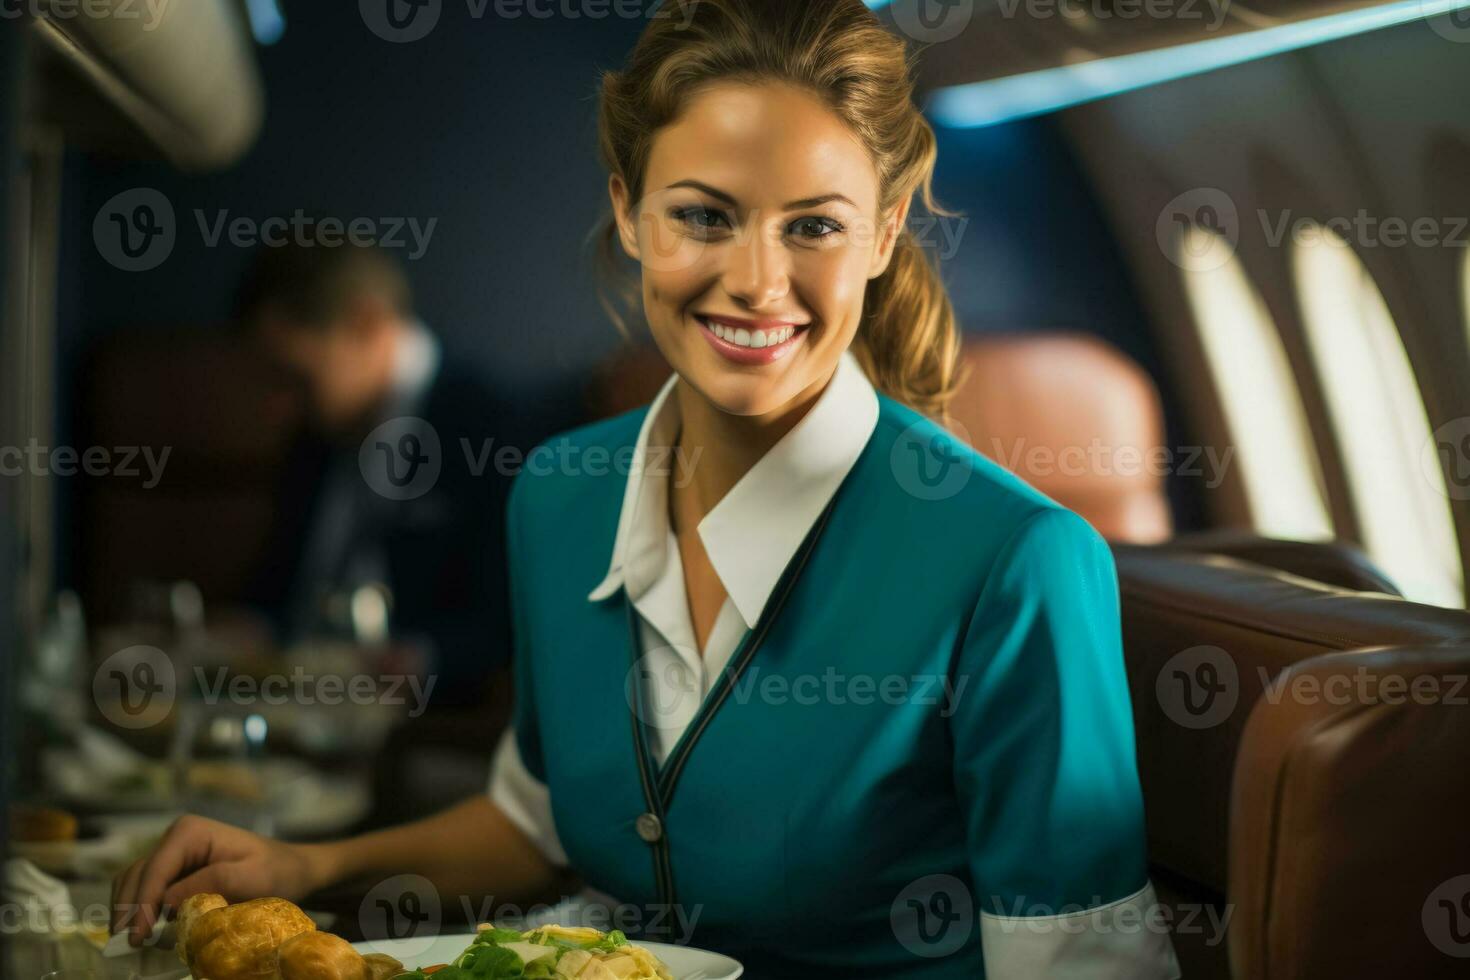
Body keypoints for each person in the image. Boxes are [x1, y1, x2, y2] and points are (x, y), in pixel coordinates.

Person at [114, 2, 1180, 975]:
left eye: (813, 223)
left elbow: (1090, 965)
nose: (758, 280)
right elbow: (540, 820)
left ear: (885, 230)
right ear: (629, 214)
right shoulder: (558, 495)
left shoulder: (1016, 562)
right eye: (703, 216)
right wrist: (304, 863)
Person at [238, 240, 512, 706]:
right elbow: (278, 585)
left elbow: (510, 626)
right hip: (287, 707)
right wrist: (247, 626)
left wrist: (421, 660)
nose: (275, 410)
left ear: (365, 323)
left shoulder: (489, 430)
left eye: (294, 379)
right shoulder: (317, 430)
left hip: (415, 727)